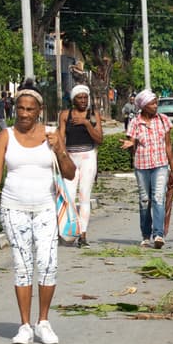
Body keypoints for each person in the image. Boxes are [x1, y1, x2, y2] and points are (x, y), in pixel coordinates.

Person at [0, 79, 76, 344]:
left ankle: (43, 322)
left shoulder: (51, 134)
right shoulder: (6, 136)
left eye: (29, 109)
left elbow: (70, 173)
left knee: (47, 263)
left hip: (46, 208)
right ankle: (24, 325)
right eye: (20, 108)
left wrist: (59, 149)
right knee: (22, 266)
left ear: (39, 111)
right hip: (14, 209)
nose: (23, 114)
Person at [121, 89, 173, 249]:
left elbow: (168, 145)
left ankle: (158, 235)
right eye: (152, 104)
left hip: (160, 165)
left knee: (158, 197)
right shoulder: (135, 122)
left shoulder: (163, 120)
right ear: (143, 106)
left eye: (156, 103)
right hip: (142, 166)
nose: (155, 106)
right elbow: (131, 141)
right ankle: (145, 235)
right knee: (145, 200)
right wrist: (130, 143)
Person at [57, 84, 103, 248]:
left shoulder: (93, 115)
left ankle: (83, 234)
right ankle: (70, 229)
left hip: (87, 157)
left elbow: (99, 139)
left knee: (84, 196)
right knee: (68, 196)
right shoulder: (65, 115)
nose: (83, 100)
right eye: (79, 98)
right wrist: (61, 157)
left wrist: (86, 123)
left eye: (85, 97)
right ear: (73, 100)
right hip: (70, 158)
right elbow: (60, 138)